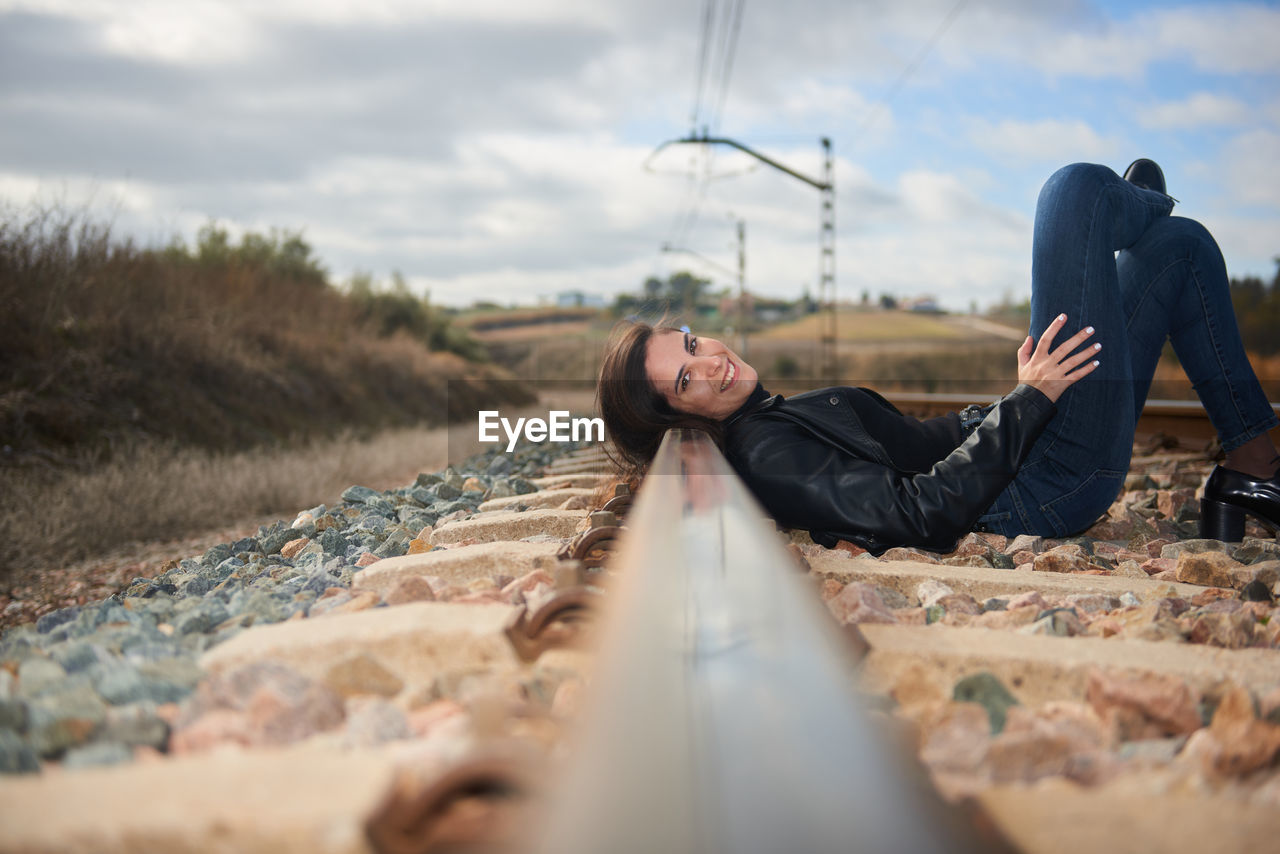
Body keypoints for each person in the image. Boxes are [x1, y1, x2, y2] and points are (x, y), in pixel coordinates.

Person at [597, 161, 1280, 554]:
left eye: (691, 345)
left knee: (1178, 250)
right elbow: (920, 512)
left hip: (1033, 451)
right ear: (679, 417)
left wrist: (1016, 397)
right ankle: (1144, 205)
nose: (711, 361)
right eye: (687, 378)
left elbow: (926, 443)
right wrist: (1030, 402)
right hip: (1043, 485)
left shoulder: (770, 415)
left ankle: (1254, 470)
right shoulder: (769, 453)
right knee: (1074, 195)